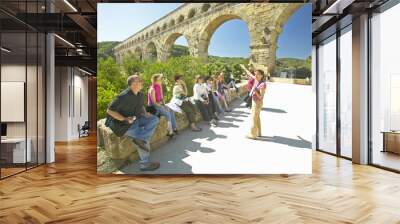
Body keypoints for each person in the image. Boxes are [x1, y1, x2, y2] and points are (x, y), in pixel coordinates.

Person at [105, 74, 160, 171]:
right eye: (139, 80)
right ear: (133, 84)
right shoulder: (123, 96)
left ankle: (140, 138)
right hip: (123, 124)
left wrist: (145, 113)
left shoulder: (139, 94)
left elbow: (140, 106)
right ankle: (144, 164)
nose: (142, 82)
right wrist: (125, 119)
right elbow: (109, 111)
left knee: (154, 119)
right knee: (143, 141)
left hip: (136, 118)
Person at [241, 65, 267, 139]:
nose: (256, 75)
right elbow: (249, 74)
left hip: (257, 102)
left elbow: (261, 97)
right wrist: (244, 68)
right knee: (257, 117)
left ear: (262, 75)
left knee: (253, 118)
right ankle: (259, 133)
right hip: (255, 101)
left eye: (258, 74)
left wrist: (255, 91)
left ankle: (253, 135)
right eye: (255, 74)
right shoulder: (257, 80)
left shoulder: (262, 84)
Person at [148, 73, 178, 138]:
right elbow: (153, 102)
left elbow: (161, 98)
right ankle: (170, 132)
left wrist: (165, 105)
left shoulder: (159, 87)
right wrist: (162, 107)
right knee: (167, 114)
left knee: (171, 110)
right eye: (160, 79)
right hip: (154, 107)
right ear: (156, 80)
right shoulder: (152, 89)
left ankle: (174, 128)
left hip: (159, 105)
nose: (162, 80)